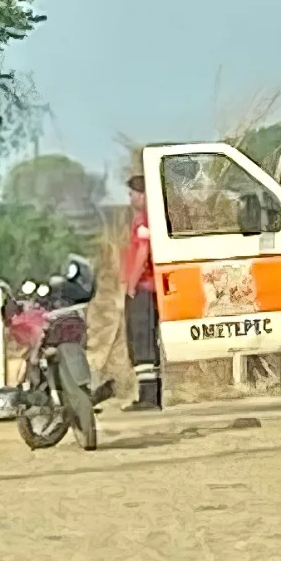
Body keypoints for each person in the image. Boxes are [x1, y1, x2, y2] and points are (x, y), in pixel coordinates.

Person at [122, 174, 162, 411]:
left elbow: (142, 252)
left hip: (144, 289)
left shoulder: (144, 220)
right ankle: (151, 394)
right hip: (150, 289)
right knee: (146, 339)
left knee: (141, 340)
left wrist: (131, 284)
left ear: (143, 194)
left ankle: (148, 397)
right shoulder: (149, 218)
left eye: (132, 194)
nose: (130, 199)